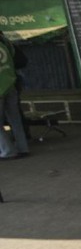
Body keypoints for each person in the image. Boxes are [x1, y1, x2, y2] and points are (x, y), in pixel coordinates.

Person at [0, 31, 30, 160]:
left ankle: (8, 151)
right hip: (11, 83)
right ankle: (23, 148)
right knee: (15, 119)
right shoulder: (4, 42)